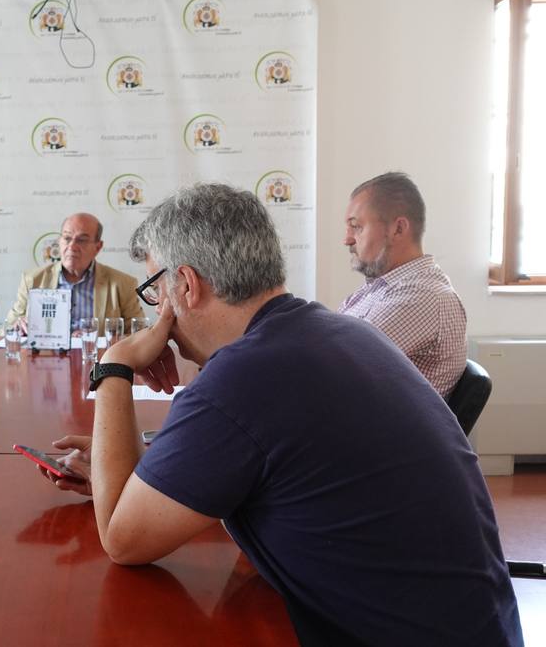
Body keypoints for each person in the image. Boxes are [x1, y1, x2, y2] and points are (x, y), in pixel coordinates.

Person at [40, 183, 521, 646]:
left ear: (185, 285)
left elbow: (122, 540)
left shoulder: (240, 380)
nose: (155, 312)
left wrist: (114, 366)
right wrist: (139, 468)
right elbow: (271, 458)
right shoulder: (337, 331)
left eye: (154, 290)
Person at [339, 172, 466, 397]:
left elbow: (338, 364)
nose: (347, 239)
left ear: (398, 229)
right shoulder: (381, 287)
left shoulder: (423, 296)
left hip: (377, 430)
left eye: (356, 226)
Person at [4, 212, 144, 335]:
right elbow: (6, 328)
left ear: (98, 247)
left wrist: (93, 338)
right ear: (59, 241)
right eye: (67, 238)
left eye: (82, 240)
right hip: (46, 361)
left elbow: (140, 333)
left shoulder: (122, 283)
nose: (72, 246)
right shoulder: (32, 280)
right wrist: (17, 328)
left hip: (98, 361)